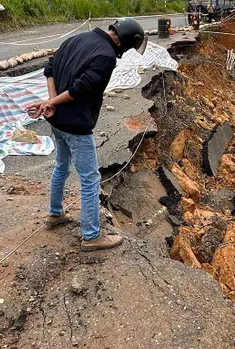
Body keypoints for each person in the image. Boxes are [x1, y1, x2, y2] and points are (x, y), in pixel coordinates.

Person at [27, 18, 146, 252]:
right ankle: (92, 236)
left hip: (57, 120)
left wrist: (51, 102)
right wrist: (53, 102)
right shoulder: (106, 56)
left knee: (61, 166)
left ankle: (55, 213)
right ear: (125, 42)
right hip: (76, 124)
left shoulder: (78, 37)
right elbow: (80, 89)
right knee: (90, 178)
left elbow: (50, 68)